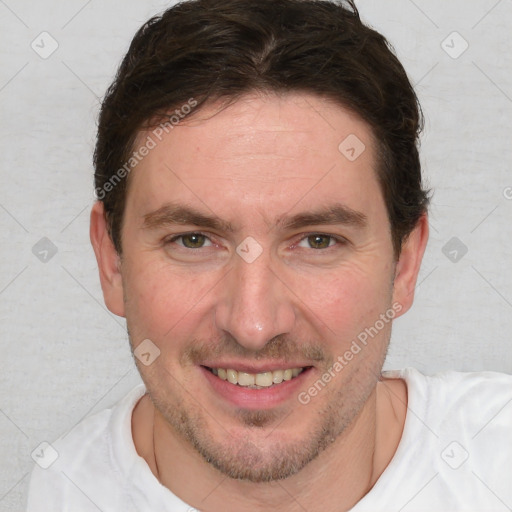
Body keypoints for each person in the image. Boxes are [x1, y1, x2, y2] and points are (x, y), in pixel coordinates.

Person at [26, 0, 512, 510]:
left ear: (405, 264)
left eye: (318, 240)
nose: (254, 325)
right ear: (112, 260)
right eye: (193, 240)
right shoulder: (61, 491)